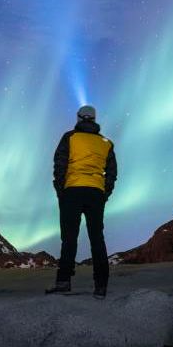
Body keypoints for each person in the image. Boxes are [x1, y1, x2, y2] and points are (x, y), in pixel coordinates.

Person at [46, 104, 117, 299]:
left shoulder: (69, 137)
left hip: (72, 191)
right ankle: (101, 286)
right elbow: (112, 173)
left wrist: (61, 191)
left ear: (78, 118)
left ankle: (63, 282)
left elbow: (60, 164)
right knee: (97, 239)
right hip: (95, 193)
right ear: (94, 120)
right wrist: (104, 193)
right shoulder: (107, 143)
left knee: (69, 238)